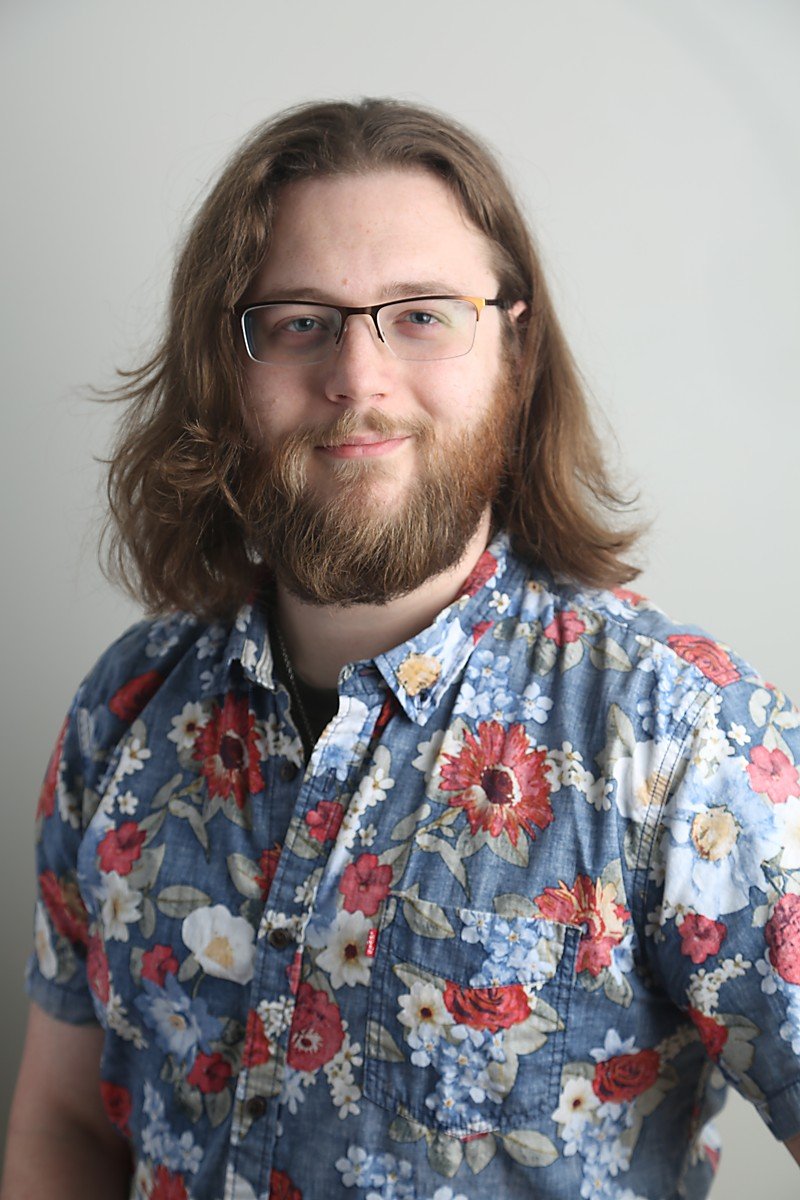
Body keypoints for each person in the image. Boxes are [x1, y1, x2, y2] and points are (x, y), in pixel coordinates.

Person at [3, 97, 800, 1200]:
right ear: (223, 367)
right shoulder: (125, 706)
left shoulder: (681, 740)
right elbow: (61, 1125)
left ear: (511, 350)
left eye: (420, 314)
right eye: (298, 321)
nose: (358, 377)